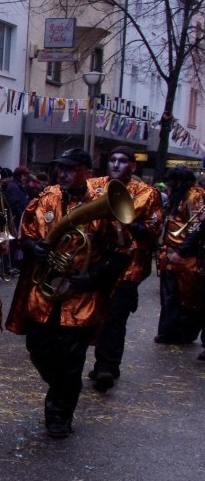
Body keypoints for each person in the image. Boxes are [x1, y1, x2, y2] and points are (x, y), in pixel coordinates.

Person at [8, 148, 129, 439]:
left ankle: (59, 414)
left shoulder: (101, 202)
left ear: (87, 171)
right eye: (59, 167)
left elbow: (121, 255)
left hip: (79, 297)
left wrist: (89, 279)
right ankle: (62, 387)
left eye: (70, 168)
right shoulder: (45, 198)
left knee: (71, 360)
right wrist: (32, 249)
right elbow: (24, 236)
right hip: (44, 294)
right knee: (38, 349)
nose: (62, 173)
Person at [87, 146, 161, 390]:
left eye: (123, 161)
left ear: (133, 166)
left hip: (129, 266)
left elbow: (152, 229)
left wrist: (127, 222)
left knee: (115, 318)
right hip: (96, 261)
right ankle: (104, 363)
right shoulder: (94, 185)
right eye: (113, 160)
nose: (116, 165)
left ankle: (106, 367)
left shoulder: (147, 193)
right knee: (93, 313)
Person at [155, 166, 205, 350]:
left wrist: (182, 251)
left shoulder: (194, 196)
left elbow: (197, 228)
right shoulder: (178, 196)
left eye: (173, 182)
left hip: (184, 255)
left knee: (184, 297)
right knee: (169, 296)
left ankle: (181, 333)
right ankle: (168, 332)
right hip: (170, 252)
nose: (170, 185)